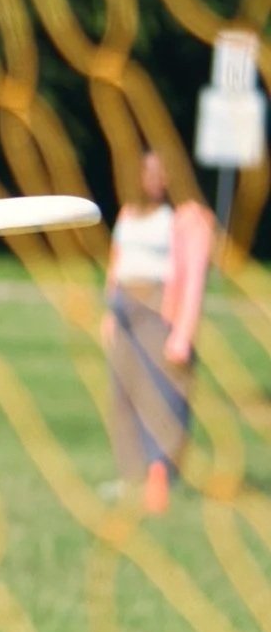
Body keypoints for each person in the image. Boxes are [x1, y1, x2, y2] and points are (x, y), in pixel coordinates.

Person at [101, 148, 213, 515]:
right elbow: (116, 263)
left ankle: (160, 476)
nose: (152, 178)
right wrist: (109, 313)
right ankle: (131, 474)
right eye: (146, 170)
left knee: (163, 396)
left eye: (160, 171)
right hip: (124, 311)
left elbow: (194, 279)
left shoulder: (188, 218)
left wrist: (183, 332)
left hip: (157, 312)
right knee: (125, 393)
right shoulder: (129, 212)